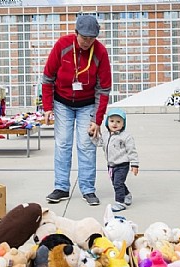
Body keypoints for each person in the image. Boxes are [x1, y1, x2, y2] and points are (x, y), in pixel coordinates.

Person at [41, 14, 112, 205]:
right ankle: (61, 187)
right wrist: (47, 107)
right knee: (63, 144)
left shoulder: (101, 53)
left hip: (87, 103)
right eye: (84, 37)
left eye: (92, 38)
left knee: (86, 146)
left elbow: (103, 89)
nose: (88, 42)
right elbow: (47, 79)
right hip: (62, 102)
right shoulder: (62, 45)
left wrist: (97, 120)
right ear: (76, 33)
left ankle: (88, 189)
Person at [95, 108, 139, 212]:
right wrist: (92, 136)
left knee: (118, 183)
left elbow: (131, 150)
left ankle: (120, 202)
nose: (115, 124)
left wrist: (134, 164)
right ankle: (127, 194)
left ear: (123, 124)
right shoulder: (105, 135)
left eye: (118, 122)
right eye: (112, 121)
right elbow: (98, 143)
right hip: (111, 165)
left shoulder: (126, 136)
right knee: (116, 183)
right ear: (107, 122)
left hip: (122, 164)